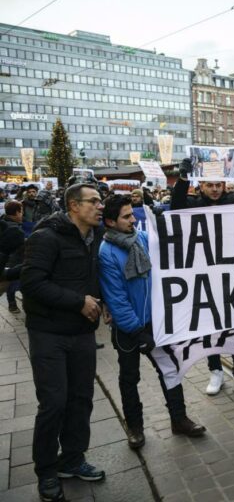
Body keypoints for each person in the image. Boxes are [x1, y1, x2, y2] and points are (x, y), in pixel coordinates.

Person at [21, 184, 106, 502]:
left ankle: (72, 460)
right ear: (73, 206)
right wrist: (78, 302)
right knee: (54, 403)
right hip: (49, 334)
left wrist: (104, 303)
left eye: (101, 201)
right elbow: (32, 283)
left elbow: (92, 276)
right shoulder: (46, 237)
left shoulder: (94, 237)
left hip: (82, 333)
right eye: (94, 201)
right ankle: (46, 471)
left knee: (81, 399)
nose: (100, 206)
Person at [99, 195, 206, 450]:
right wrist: (137, 331)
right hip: (129, 330)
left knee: (170, 370)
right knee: (129, 378)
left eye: (132, 214)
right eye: (126, 217)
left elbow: (168, 260)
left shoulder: (142, 239)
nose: (133, 220)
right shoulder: (107, 253)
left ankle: (179, 420)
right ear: (111, 221)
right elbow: (117, 299)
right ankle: (135, 429)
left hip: (155, 324)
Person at [171, 155, 234, 397]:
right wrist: (182, 178)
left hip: (233, 275)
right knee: (210, 325)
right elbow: (175, 205)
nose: (213, 189)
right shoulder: (192, 204)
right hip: (204, 275)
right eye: (209, 185)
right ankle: (216, 371)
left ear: (225, 185)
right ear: (200, 185)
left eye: (218, 185)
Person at [1, 200, 25, 313]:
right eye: (21, 212)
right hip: (11, 263)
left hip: (8, 264)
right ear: (17, 212)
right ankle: (12, 304)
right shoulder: (14, 230)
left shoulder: (4, 224)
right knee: (11, 284)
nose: (22, 215)